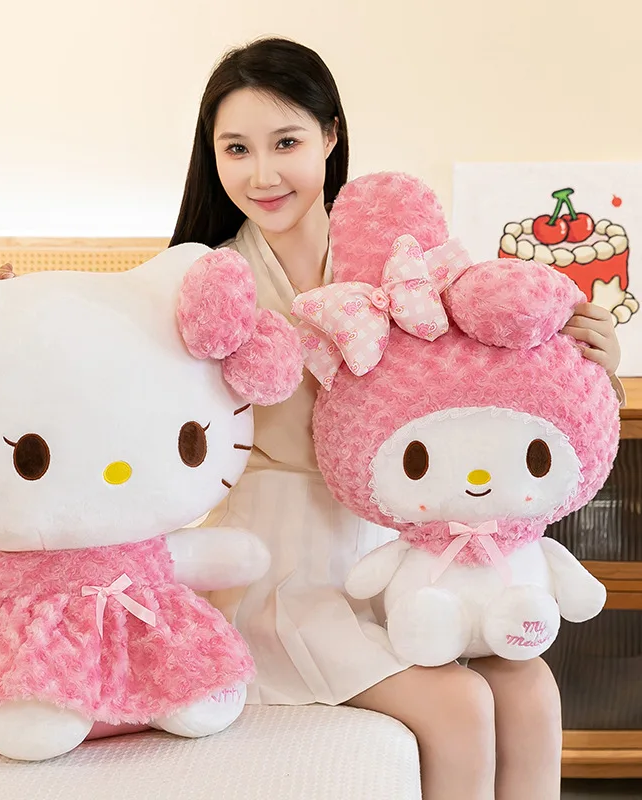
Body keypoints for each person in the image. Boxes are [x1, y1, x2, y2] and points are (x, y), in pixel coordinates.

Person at [170, 36, 625, 800]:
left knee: (532, 691)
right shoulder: (208, 279)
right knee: (458, 704)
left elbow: (495, 378)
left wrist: (596, 357)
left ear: (330, 136)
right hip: (283, 569)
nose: (262, 173)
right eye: (236, 149)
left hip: (407, 548)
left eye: (286, 142)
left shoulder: (403, 262)